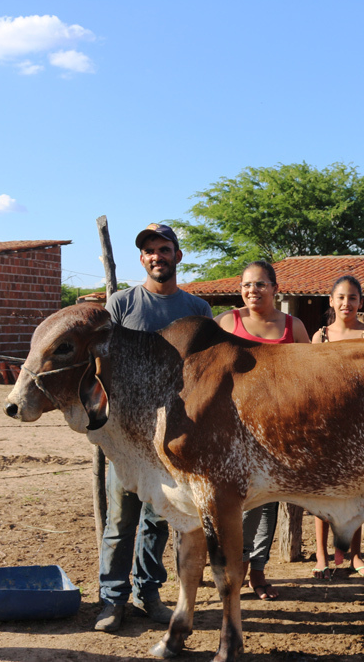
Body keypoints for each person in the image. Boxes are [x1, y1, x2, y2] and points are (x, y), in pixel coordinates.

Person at [96, 223, 214, 632]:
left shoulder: (198, 310)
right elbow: (102, 362)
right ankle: (112, 600)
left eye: (164, 249)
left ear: (177, 256)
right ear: (141, 258)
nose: (156, 256)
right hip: (126, 433)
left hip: (173, 436)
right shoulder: (121, 304)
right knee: (119, 520)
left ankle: (149, 594)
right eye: (149, 251)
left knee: (157, 520)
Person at [216, 260, 310, 600]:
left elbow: (310, 376)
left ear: (275, 288)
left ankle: (258, 572)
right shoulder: (227, 322)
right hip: (235, 428)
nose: (252, 290)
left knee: (267, 502)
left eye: (259, 284)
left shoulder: (293, 326)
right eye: (246, 285)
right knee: (235, 502)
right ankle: (234, 568)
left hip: (278, 430)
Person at [310, 275, 364, 579]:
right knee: (322, 493)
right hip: (324, 424)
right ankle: (322, 558)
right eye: (340, 297)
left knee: (357, 492)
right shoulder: (319, 337)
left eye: (352, 298)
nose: (346, 303)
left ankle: (355, 556)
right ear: (331, 300)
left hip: (357, 426)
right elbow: (313, 383)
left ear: (360, 302)